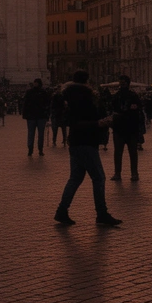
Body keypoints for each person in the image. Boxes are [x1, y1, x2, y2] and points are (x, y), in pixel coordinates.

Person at [53, 70, 120, 227]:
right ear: (87, 81)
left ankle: (61, 211)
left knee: (75, 178)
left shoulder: (67, 97)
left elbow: (70, 121)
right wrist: (99, 123)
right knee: (99, 178)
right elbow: (79, 122)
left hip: (75, 142)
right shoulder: (85, 98)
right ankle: (101, 213)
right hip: (86, 142)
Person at [110, 75, 142, 181]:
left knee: (132, 152)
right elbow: (112, 109)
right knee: (118, 152)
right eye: (120, 83)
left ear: (128, 84)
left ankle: (134, 173)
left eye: (123, 83)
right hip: (119, 128)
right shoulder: (116, 96)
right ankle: (117, 173)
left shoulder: (133, 96)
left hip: (130, 128)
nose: (121, 85)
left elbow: (138, 110)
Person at [22, 78, 51, 157]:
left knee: (41, 134)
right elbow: (25, 104)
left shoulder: (44, 93)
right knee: (31, 133)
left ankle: (40, 149)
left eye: (36, 82)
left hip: (41, 116)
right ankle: (30, 149)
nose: (35, 84)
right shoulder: (29, 92)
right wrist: (25, 115)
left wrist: (47, 115)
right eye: (34, 82)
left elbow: (48, 105)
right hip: (31, 116)